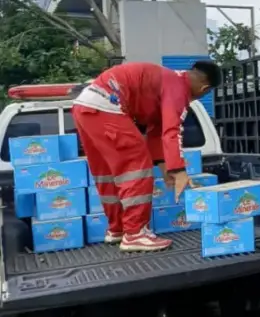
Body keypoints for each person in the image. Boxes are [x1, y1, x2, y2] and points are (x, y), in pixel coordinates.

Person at [71, 60, 222, 252]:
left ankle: (117, 229)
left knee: (107, 172)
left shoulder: (167, 80)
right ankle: (135, 234)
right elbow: (172, 132)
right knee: (137, 165)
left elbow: (157, 132)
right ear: (204, 89)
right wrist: (179, 171)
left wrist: (165, 168)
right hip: (108, 106)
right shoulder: (179, 89)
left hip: (85, 107)